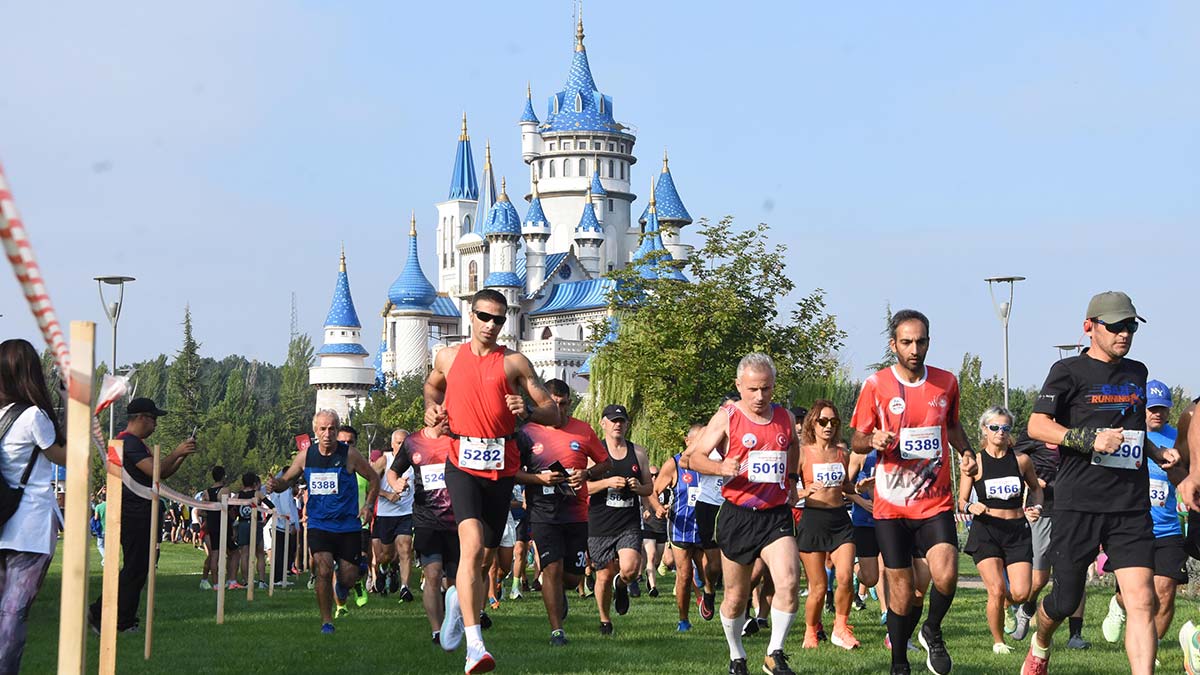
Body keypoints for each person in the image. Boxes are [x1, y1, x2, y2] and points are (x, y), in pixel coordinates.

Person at [1023, 291, 1178, 675]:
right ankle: (1041, 641)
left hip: (1130, 505)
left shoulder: (1137, 372)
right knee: (1064, 599)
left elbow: (1133, 428)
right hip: (1080, 503)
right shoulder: (1068, 372)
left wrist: (1157, 454)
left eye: (1130, 326)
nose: (1124, 334)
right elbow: (1036, 425)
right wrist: (1087, 439)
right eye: (1116, 326)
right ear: (1089, 327)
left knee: (1142, 599)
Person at [423, 288, 559, 674]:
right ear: (471, 315)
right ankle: (475, 645)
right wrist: (432, 409)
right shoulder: (448, 357)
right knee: (471, 549)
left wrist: (529, 410)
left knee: (484, 561)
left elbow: (554, 413)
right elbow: (433, 387)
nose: (491, 325)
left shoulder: (515, 363)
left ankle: (457, 605)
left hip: (500, 468)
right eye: (485, 316)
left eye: (499, 319)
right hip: (461, 462)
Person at [849, 309, 977, 675]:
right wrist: (872, 438)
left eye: (920, 341)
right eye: (906, 342)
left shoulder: (946, 383)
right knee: (902, 593)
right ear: (894, 345)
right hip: (891, 506)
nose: (914, 349)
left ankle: (932, 630)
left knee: (947, 574)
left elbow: (952, 427)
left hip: (935, 501)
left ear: (928, 342)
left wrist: (966, 453)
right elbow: (857, 439)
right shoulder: (876, 385)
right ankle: (899, 663)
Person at [683, 353, 801, 675]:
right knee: (736, 596)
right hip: (738, 513)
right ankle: (737, 655)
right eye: (752, 389)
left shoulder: (785, 417)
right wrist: (721, 467)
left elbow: (792, 446)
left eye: (766, 389)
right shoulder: (727, 416)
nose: (760, 397)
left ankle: (774, 653)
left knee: (789, 581)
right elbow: (692, 459)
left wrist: (791, 479)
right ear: (739, 386)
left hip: (775, 515)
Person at [87, 397, 196, 633]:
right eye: (154, 419)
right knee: (135, 569)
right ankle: (115, 619)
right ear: (142, 418)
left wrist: (181, 455)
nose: (156, 425)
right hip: (135, 513)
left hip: (139, 511)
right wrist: (176, 451)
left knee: (137, 568)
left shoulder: (135, 444)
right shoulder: (130, 443)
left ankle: (103, 612)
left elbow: (160, 475)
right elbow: (156, 469)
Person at [515, 378, 610, 646]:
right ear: (542, 404)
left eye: (564, 405)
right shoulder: (527, 432)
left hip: (576, 513)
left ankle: (561, 593)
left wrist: (587, 473)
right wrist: (538, 480)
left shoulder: (583, 430)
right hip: (543, 512)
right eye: (553, 405)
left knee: (571, 578)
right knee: (551, 568)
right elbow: (512, 472)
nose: (559, 411)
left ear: (570, 403)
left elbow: (605, 462)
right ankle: (557, 630)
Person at [267, 409, 379, 633]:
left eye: (332, 429)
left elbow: (374, 478)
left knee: (346, 576)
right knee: (324, 570)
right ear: (315, 431)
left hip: (347, 524)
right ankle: (327, 621)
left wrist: (367, 505)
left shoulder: (350, 455)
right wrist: (275, 485)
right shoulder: (306, 456)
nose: (327, 433)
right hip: (319, 523)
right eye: (323, 429)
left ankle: (349, 585)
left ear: (337, 430)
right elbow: (287, 480)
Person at [1102, 380, 1188, 647]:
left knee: (1165, 590)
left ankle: (1154, 646)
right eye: (1152, 408)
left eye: (1163, 408)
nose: (1157, 414)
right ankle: (1117, 606)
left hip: (1168, 528)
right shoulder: (1126, 434)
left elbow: (1187, 475)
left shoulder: (1177, 438)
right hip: (1132, 526)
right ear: (1142, 408)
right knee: (1135, 595)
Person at [0, 339, 67, 672]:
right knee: (12, 614)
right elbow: (65, 457)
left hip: (2, 521)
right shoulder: (32, 417)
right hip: (29, 525)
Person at [958, 407, 1043, 655]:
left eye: (1005, 428)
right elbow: (961, 500)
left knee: (1021, 592)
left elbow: (1036, 488)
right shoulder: (976, 462)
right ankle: (998, 641)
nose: (1000, 432)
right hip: (987, 531)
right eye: (994, 427)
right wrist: (972, 505)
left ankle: (1007, 605)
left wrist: (1035, 505)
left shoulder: (1021, 461)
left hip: (1017, 531)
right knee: (995, 589)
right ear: (984, 429)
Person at [795, 401, 859, 650]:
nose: (828, 426)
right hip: (813, 520)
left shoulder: (842, 452)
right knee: (819, 587)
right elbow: (786, 490)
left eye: (833, 422)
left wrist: (859, 489)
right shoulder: (801, 453)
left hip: (840, 520)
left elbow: (844, 487)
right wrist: (804, 491)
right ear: (813, 422)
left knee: (845, 577)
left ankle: (841, 628)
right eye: (823, 421)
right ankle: (811, 632)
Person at [388, 422, 459, 646]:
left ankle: (452, 621)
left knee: (455, 581)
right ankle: (437, 630)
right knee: (433, 574)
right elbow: (393, 471)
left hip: (457, 520)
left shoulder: (459, 439)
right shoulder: (413, 442)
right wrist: (396, 483)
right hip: (426, 519)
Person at [587, 404, 653, 635]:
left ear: (627, 424)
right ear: (603, 423)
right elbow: (582, 487)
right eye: (613, 420)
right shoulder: (594, 453)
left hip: (628, 522)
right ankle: (605, 621)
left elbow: (649, 488)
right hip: (600, 522)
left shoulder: (639, 453)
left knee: (631, 568)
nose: (617, 424)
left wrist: (638, 487)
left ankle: (622, 584)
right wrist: (607, 483)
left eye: (621, 421)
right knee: (603, 574)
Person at [653, 424, 706, 631]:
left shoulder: (710, 463)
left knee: (710, 572)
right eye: (698, 441)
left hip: (705, 527)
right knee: (684, 575)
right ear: (687, 441)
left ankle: (705, 596)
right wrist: (658, 508)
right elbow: (653, 490)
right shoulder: (674, 464)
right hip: (681, 527)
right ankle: (683, 620)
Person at [372, 429, 415, 600]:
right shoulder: (384, 460)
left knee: (405, 548)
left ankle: (405, 588)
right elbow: (371, 486)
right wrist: (387, 495)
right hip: (386, 514)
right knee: (386, 555)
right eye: (398, 443)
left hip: (406, 512)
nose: (402, 446)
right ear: (392, 444)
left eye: (405, 443)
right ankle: (383, 569)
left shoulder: (415, 460)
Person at [847, 450, 887, 626]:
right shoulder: (860, 455)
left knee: (885, 568)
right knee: (871, 578)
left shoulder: (898, 452)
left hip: (889, 520)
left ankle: (886, 611)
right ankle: (858, 571)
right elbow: (842, 485)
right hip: (864, 521)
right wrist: (862, 501)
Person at [337, 425, 373, 607]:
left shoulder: (361, 467)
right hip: (334, 523)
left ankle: (359, 582)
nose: (346, 445)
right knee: (337, 567)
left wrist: (369, 506)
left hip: (359, 523)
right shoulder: (328, 466)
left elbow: (373, 487)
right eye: (342, 441)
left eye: (349, 442)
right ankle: (340, 605)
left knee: (361, 561)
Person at [232, 472, 269, 590]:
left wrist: (234, 519)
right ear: (254, 483)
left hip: (242, 525)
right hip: (256, 523)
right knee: (260, 555)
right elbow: (271, 506)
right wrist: (265, 521)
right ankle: (262, 581)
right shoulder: (257, 494)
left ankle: (246, 581)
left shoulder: (237, 496)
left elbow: (228, 507)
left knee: (244, 554)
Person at [198, 466, 230, 590]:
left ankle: (207, 580)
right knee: (216, 554)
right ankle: (216, 583)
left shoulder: (206, 492)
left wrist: (209, 515)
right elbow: (227, 508)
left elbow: (201, 511)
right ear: (223, 476)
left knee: (213, 554)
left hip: (209, 524)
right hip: (219, 524)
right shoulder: (225, 490)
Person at [268, 467, 300, 587]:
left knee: (282, 551)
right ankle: (278, 578)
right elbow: (286, 507)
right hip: (282, 524)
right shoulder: (284, 490)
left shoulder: (281, 489)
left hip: (280, 523)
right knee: (280, 552)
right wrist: (291, 523)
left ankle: (280, 576)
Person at [640, 465, 667, 599]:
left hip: (662, 528)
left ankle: (650, 574)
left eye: (656, 475)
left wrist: (667, 508)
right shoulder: (643, 490)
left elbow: (672, 504)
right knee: (650, 556)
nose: (654, 477)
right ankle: (653, 587)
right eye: (651, 475)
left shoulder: (666, 490)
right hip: (648, 527)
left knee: (657, 559)